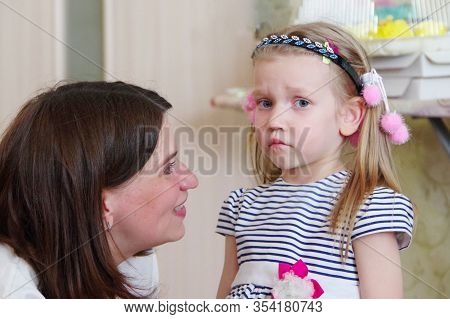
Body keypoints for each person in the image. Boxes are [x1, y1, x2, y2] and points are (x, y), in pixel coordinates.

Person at [216, 22, 414, 299]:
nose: (275, 120)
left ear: (349, 115)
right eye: (265, 102)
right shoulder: (242, 208)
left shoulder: (368, 208)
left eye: (301, 103)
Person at [0, 81, 198, 298]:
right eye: (168, 168)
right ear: (102, 205)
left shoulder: (130, 257)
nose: (191, 180)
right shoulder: (12, 293)